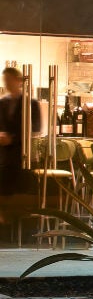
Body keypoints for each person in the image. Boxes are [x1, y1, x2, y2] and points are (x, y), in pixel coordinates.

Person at [0, 67, 40, 230]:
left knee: (20, 187)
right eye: (5, 79)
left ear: (18, 81)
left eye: (9, 79)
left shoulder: (31, 104)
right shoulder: (2, 103)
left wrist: (13, 138)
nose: (7, 83)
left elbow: (35, 127)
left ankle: (18, 223)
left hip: (23, 154)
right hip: (3, 155)